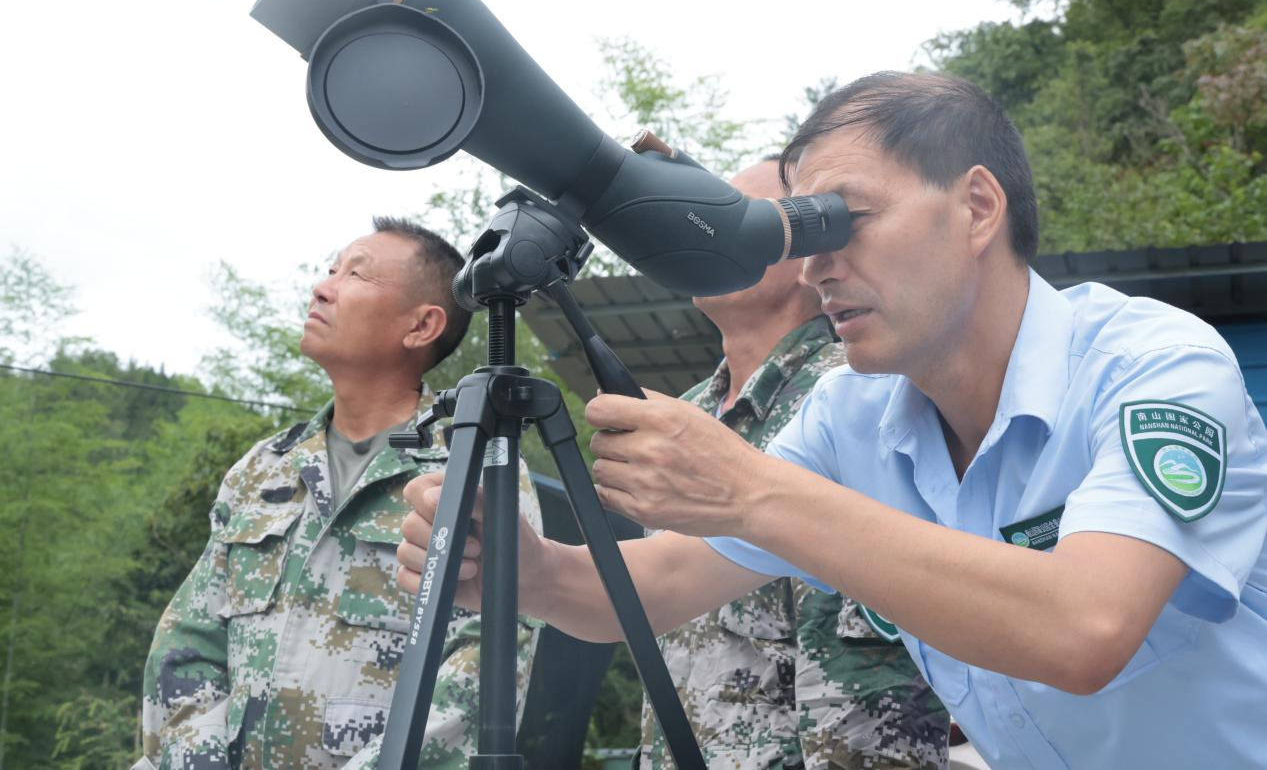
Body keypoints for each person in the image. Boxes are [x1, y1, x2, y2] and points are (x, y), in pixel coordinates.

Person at [398, 73, 1267, 769]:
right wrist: (526, 567)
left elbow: (1085, 627)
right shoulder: (851, 415)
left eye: (843, 218)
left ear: (975, 206)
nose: (814, 265)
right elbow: (656, 587)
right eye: (799, 232)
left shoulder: (1152, 361)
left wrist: (749, 490)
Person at [135, 217, 542, 770]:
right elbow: (188, 642)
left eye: (356, 275)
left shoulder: (472, 470)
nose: (323, 287)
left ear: (422, 326)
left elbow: (484, 666)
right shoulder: (263, 470)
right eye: (330, 270)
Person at [637, 158, 947, 770]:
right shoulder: (684, 419)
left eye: (738, 220)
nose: (710, 239)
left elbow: (864, 663)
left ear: (812, 254)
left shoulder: (859, 398)